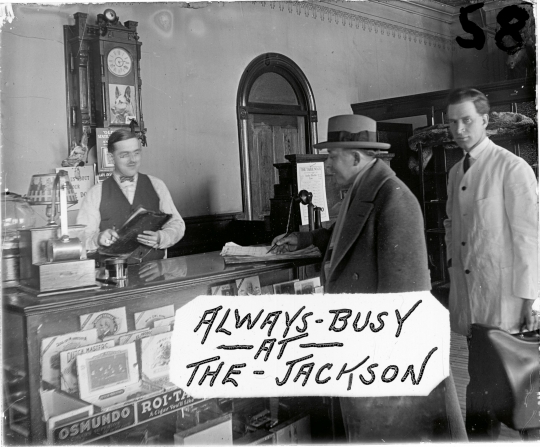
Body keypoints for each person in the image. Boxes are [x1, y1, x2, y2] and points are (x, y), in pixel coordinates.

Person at [272, 115, 467, 443]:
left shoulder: (394, 198)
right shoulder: (360, 192)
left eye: (333, 157)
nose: (329, 164)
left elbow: (406, 300)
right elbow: (345, 235)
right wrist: (307, 239)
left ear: (356, 157)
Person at [443, 88, 539, 440]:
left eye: (467, 120)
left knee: (520, 392)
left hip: (508, 302)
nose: (460, 129)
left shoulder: (511, 168)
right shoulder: (456, 173)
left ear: (485, 120)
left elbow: (530, 236)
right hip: (474, 302)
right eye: (453, 122)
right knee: (480, 389)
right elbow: (454, 226)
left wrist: (532, 300)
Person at [77, 128, 185, 262]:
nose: (132, 160)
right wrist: (98, 238)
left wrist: (162, 237)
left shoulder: (157, 185)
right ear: (111, 157)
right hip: (113, 275)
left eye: (136, 153)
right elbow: (82, 236)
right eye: (125, 155)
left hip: (155, 275)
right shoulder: (95, 193)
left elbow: (177, 224)